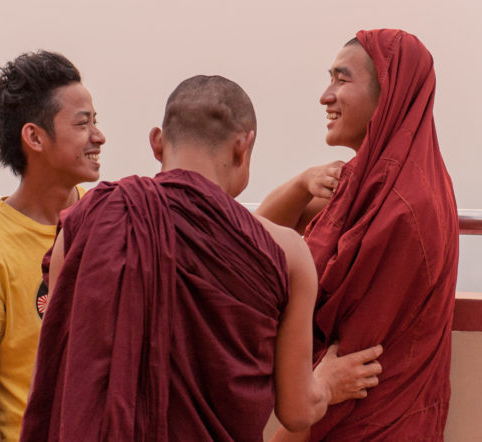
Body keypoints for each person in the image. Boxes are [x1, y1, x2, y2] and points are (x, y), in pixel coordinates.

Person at [20, 75, 382, 442]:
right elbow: (296, 409)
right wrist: (326, 384)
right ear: (243, 147)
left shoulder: (92, 223)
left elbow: (51, 371)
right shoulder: (288, 253)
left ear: (157, 143)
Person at [258, 30, 459, 441]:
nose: (325, 95)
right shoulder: (365, 182)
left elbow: (350, 368)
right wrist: (300, 184)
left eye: (341, 79)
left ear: (389, 96)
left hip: (368, 425)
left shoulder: (405, 209)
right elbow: (254, 236)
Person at [0, 50, 106, 441]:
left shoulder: (109, 219)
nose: (98, 137)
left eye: (96, 122)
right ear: (34, 136)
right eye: (82, 124)